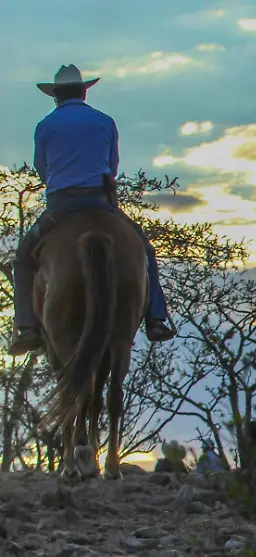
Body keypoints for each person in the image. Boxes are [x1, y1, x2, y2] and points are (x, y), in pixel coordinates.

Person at [9, 65, 175, 357]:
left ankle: (26, 327)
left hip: (61, 205)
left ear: (56, 95)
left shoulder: (45, 126)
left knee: (23, 258)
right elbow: (112, 166)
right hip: (101, 202)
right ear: (84, 92)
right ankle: (155, 319)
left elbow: (42, 168)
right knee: (146, 252)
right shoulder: (105, 122)